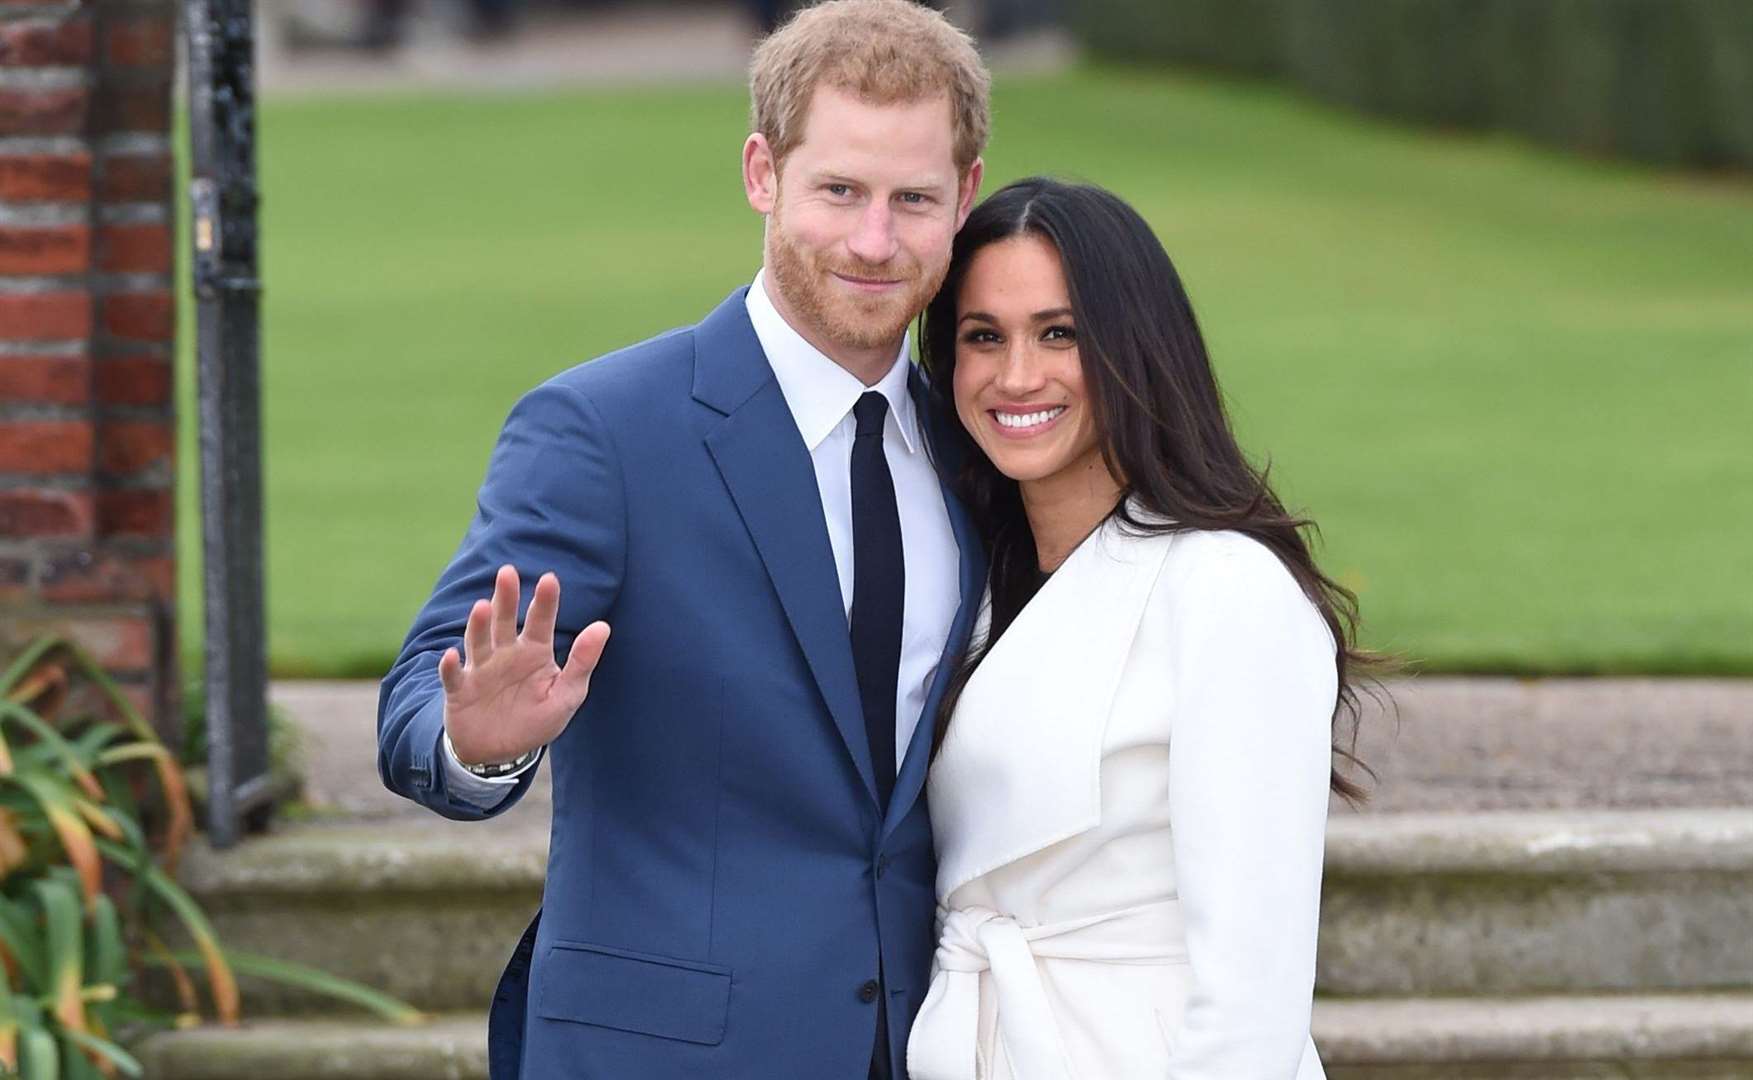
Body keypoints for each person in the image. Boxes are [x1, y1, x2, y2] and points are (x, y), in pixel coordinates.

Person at [375, 2, 989, 1077]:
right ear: (763, 173)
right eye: (838, 190)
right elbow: (418, 711)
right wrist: (484, 742)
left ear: (965, 197)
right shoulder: (601, 430)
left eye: (913, 200)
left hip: (917, 1044)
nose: (873, 240)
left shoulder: (971, 448)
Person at [903, 178, 1374, 1079]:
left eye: (1059, 333)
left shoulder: (1226, 590)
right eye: (982, 337)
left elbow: (1252, 993)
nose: (1016, 376)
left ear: (1133, 348)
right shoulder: (972, 584)